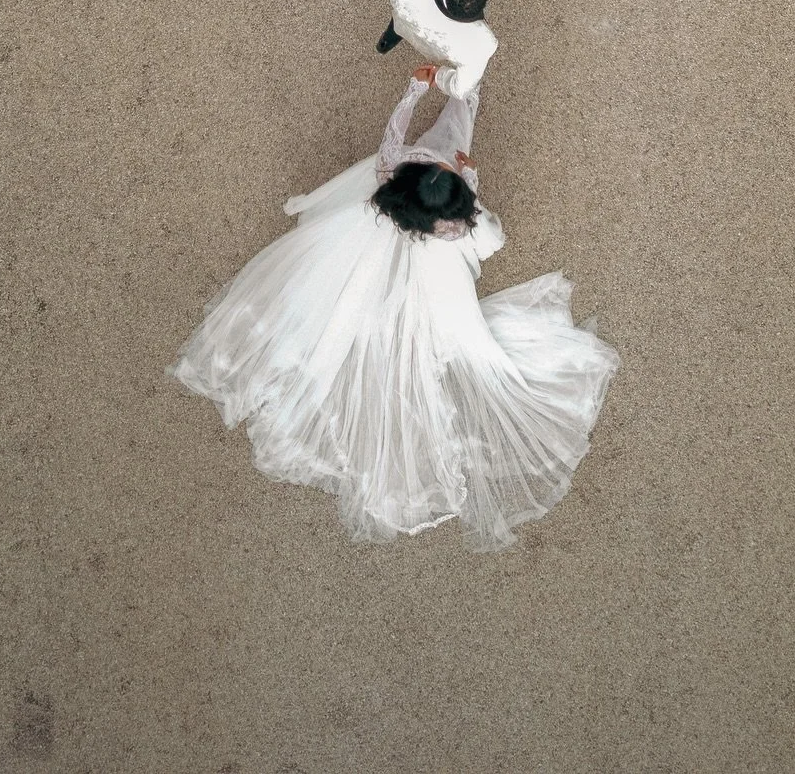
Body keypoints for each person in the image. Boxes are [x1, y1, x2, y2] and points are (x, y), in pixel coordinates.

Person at [170, 69, 618, 551]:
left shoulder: (390, 170)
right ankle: (468, 94)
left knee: (335, 305)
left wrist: (417, 88)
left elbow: (395, 130)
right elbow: (473, 232)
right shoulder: (450, 221)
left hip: (376, 224)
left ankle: (465, 95)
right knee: (449, 328)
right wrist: (465, 171)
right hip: (437, 240)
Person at [374, 0, 496, 97]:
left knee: (394, 30)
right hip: (434, 50)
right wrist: (438, 75)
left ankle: (384, 44)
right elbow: (460, 90)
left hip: (404, 23)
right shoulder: (483, 43)